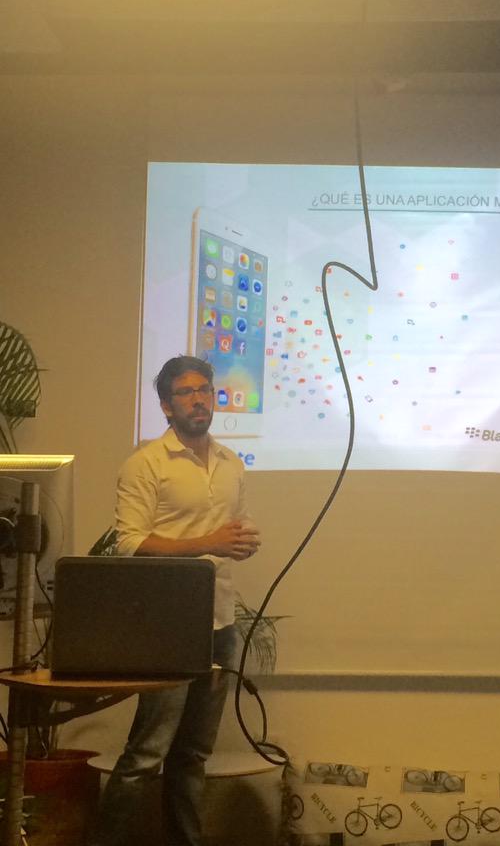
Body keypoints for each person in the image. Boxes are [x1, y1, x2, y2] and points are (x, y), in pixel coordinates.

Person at [91, 355, 260, 846]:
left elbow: (231, 530)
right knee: (147, 754)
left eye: (205, 390)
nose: (199, 399)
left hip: (220, 624)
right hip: (165, 627)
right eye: (186, 392)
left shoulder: (231, 463)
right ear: (166, 406)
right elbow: (129, 543)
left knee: (193, 756)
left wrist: (241, 541)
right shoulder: (145, 464)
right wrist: (210, 542)